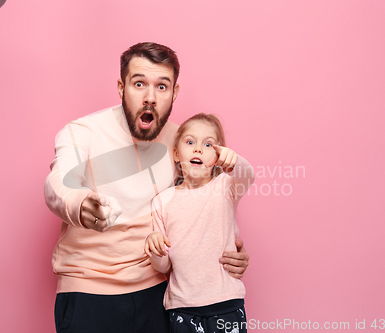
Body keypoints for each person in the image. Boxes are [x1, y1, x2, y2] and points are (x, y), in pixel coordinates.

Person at [44, 42, 250, 333]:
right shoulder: (83, 132)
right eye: (139, 84)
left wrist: (229, 249)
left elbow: (202, 202)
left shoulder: (183, 142)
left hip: (159, 293)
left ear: (174, 92)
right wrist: (79, 203)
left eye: (162, 87)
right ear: (121, 87)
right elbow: (57, 185)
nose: (150, 98)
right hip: (89, 291)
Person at [144, 113, 254, 333]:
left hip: (227, 303)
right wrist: (155, 247)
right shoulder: (162, 201)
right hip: (183, 307)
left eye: (208, 144)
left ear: (218, 155)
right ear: (176, 153)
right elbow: (164, 266)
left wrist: (233, 162)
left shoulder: (225, 186)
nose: (198, 149)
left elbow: (247, 175)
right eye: (190, 142)